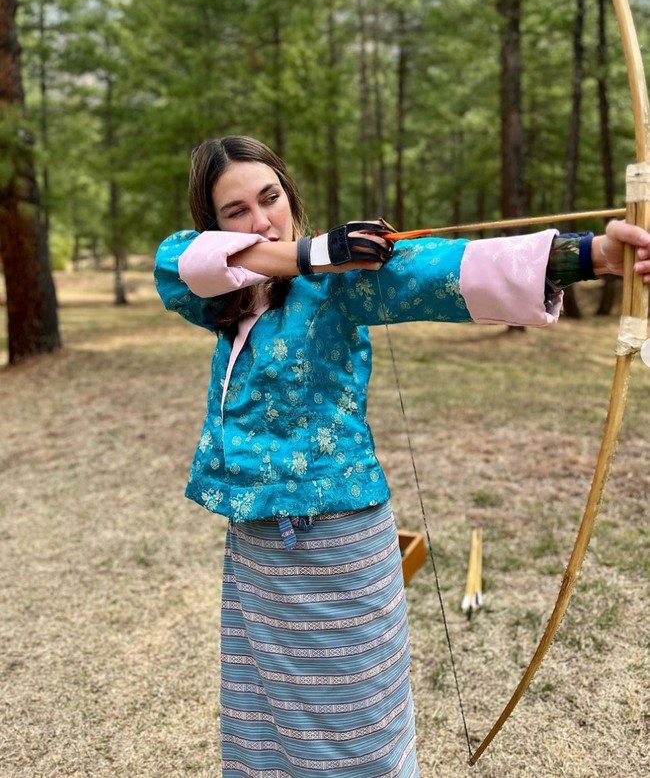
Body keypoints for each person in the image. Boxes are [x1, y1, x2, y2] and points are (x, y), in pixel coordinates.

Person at [154, 135, 650, 778]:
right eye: (235, 211)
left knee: (351, 731)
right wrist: (312, 251)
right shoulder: (226, 297)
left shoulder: (338, 286)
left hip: (337, 545)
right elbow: (175, 264)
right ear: (214, 225)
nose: (260, 220)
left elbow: (441, 270)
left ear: (290, 197)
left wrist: (596, 255)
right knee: (268, 719)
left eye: (270, 198)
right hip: (257, 549)